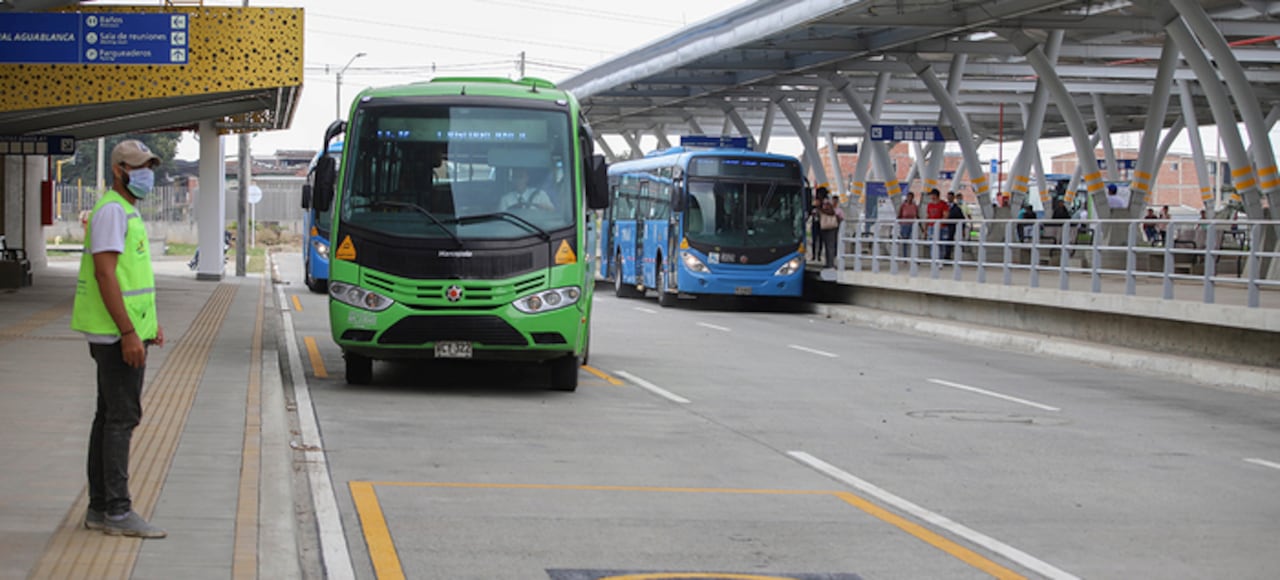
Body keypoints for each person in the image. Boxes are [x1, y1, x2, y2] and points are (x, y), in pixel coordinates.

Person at [70, 140, 167, 538]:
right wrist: (129, 333)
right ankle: (117, 510)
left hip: (122, 331)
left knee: (108, 416)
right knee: (122, 420)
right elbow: (105, 274)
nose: (145, 174)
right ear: (118, 170)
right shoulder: (113, 211)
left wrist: (149, 325)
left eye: (149, 166)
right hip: (115, 334)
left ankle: (99, 508)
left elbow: (131, 279)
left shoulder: (124, 210)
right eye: (137, 166)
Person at [817, 196, 844, 268]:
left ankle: (829, 263)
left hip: (826, 229)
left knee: (828, 246)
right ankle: (830, 263)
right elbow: (840, 218)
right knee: (830, 246)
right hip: (832, 229)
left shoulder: (823, 211)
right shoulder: (834, 211)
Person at [943, 192, 966, 260]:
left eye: (950, 197)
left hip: (952, 227)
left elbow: (962, 219)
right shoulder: (944, 206)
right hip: (943, 226)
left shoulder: (957, 208)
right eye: (948, 197)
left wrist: (963, 229)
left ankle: (947, 255)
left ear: (953, 198)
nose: (949, 198)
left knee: (949, 240)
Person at [810, 186, 829, 261]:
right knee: (815, 239)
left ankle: (818, 255)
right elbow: (811, 210)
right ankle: (815, 255)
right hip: (816, 222)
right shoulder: (815, 201)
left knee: (820, 239)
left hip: (821, 222)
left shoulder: (825, 202)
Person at [896, 191, 918, 256]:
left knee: (912, 241)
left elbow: (917, 215)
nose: (909, 198)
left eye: (911, 197)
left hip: (912, 224)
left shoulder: (914, 206)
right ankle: (904, 256)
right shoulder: (903, 205)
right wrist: (899, 224)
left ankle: (912, 255)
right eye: (908, 197)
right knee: (905, 241)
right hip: (904, 224)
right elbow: (899, 215)